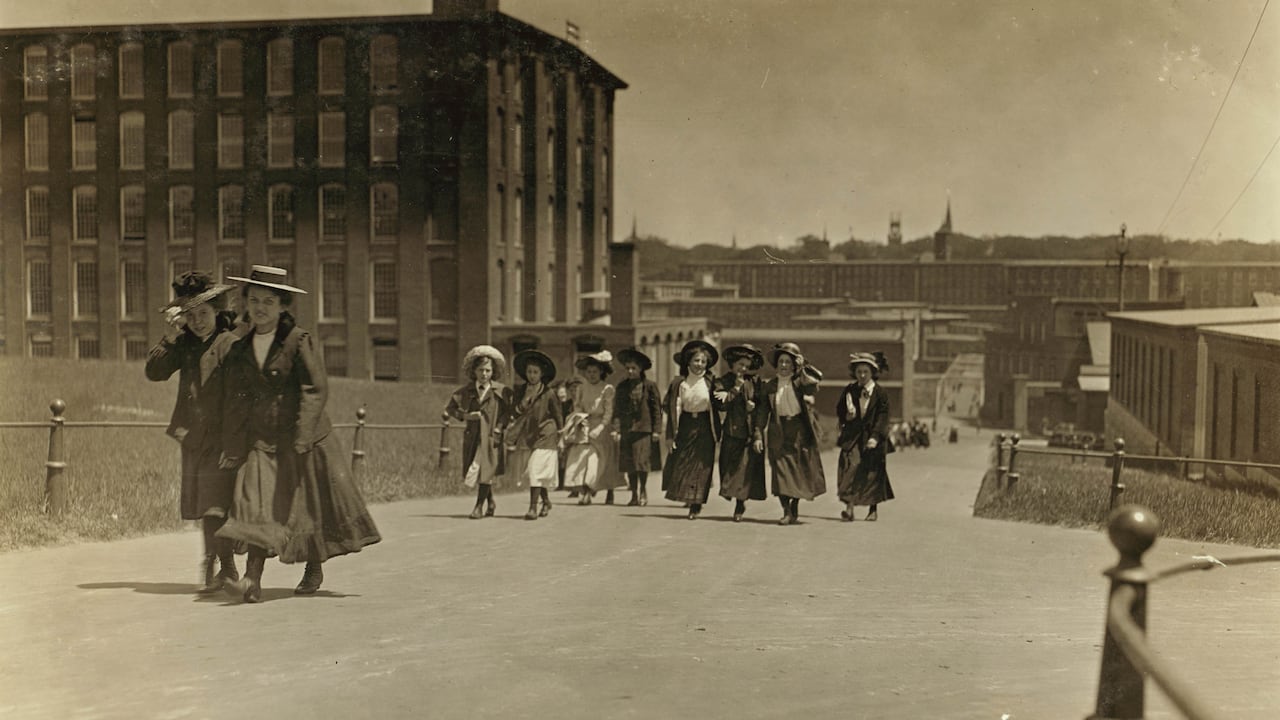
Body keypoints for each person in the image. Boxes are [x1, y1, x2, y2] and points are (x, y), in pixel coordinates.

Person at [217, 265, 381, 603]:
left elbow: (314, 388)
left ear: (282, 306)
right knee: (255, 504)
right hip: (261, 439)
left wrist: (303, 436)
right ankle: (252, 580)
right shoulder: (239, 348)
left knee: (308, 505)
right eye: (254, 300)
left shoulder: (297, 340)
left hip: (300, 436)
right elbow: (235, 400)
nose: (260, 308)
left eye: (269, 301)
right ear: (246, 303)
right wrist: (233, 445)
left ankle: (314, 566)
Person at [145, 271, 245, 593]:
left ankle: (225, 565)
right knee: (205, 503)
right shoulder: (183, 344)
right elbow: (154, 372)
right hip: (193, 437)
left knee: (217, 502)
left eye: (203, 313)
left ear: (217, 311)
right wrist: (171, 336)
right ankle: (214, 562)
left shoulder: (230, 343)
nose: (198, 321)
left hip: (223, 435)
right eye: (190, 315)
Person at [755, 342, 826, 525]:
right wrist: (757, 435)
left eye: (788, 362)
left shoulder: (799, 382)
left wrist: (803, 368)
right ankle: (786, 511)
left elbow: (813, 386)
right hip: (778, 431)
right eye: (781, 361)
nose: (784, 365)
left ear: (794, 364)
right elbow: (763, 412)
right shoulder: (769, 386)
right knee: (780, 473)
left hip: (799, 432)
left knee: (799, 473)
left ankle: (794, 506)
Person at [442, 345, 511, 519]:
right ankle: (491, 501)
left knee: (485, 468)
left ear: (493, 371)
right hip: (473, 436)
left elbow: (507, 413)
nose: (484, 374)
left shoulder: (501, 391)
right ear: (474, 371)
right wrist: (465, 416)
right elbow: (450, 409)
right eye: (480, 370)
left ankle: (478, 506)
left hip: (491, 437)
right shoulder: (465, 392)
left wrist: (499, 428)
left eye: (488, 370)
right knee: (479, 470)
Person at [662, 339, 721, 520]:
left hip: (705, 426)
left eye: (703, 361)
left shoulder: (712, 382)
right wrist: (671, 435)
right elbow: (671, 408)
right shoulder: (679, 383)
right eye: (696, 360)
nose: (699, 365)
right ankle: (688, 497)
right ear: (688, 361)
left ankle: (696, 505)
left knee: (701, 466)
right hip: (685, 426)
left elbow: (721, 405)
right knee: (685, 462)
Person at [836, 352, 896, 521]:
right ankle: (849, 508)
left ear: (872, 373)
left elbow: (883, 417)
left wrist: (875, 437)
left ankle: (873, 509)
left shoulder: (880, 393)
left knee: (872, 473)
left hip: (873, 438)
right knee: (852, 466)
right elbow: (840, 410)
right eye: (859, 372)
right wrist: (847, 416)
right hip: (854, 437)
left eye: (865, 372)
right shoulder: (849, 390)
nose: (862, 375)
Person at [505, 349, 563, 520]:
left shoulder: (548, 393)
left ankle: (532, 508)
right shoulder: (520, 390)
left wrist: (561, 436)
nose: (532, 375)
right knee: (535, 471)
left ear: (542, 373)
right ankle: (546, 501)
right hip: (528, 434)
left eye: (535, 372)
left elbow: (558, 414)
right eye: (529, 372)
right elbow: (514, 413)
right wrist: (523, 403)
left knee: (535, 469)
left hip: (547, 433)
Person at [712, 344, 767, 522]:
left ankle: (739, 504)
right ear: (733, 363)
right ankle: (735, 497)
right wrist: (735, 389)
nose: (743, 368)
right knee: (730, 468)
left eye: (746, 365)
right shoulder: (723, 381)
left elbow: (763, 406)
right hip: (731, 432)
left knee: (744, 470)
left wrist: (754, 407)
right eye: (740, 364)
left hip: (749, 434)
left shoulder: (756, 382)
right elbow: (721, 404)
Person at [564, 351, 620, 505]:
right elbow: (577, 406)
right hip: (585, 425)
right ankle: (584, 490)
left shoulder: (607, 389)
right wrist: (578, 419)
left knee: (598, 460)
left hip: (601, 427)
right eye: (589, 372)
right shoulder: (582, 387)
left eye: (595, 372)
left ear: (601, 371)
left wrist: (601, 427)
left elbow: (608, 411)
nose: (591, 375)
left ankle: (608, 490)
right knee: (582, 458)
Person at [610, 347, 663, 506]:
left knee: (641, 462)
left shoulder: (650, 386)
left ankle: (643, 490)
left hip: (644, 430)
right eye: (628, 368)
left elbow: (656, 410)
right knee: (630, 463)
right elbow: (617, 410)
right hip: (628, 429)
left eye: (634, 368)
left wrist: (657, 430)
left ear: (640, 369)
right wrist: (616, 429)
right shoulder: (622, 387)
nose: (631, 371)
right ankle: (633, 494)